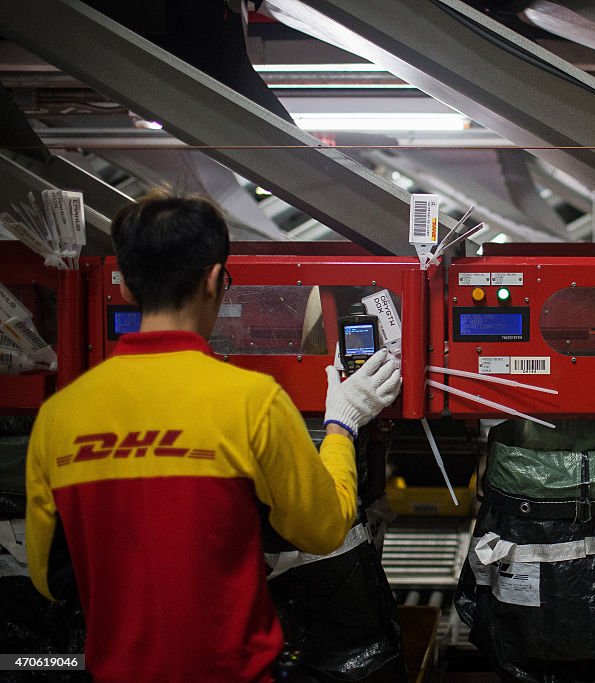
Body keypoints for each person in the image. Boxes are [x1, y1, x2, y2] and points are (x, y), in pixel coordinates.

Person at [24, 188, 401, 683]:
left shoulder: (60, 416)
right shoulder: (252, 402)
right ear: (215, 280)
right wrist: (343, 422)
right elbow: (324, 527)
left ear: (128, 291)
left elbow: (47, 577)